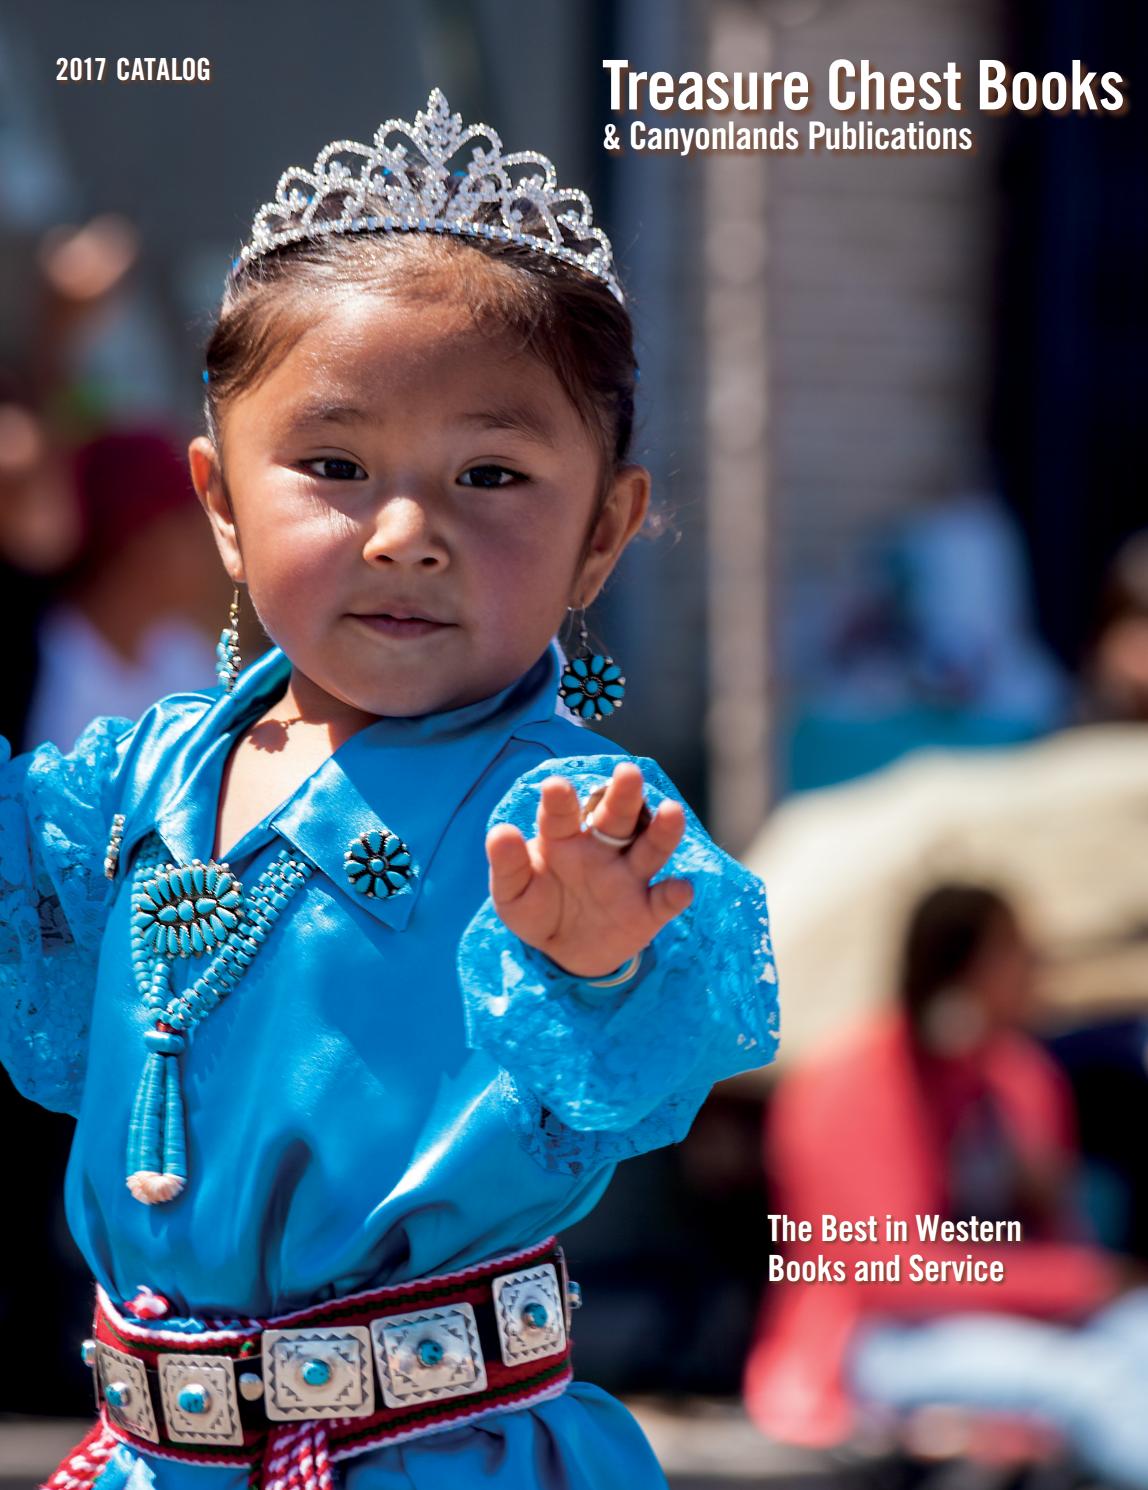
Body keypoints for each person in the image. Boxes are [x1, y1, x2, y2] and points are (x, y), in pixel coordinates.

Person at [0, 89, 779, 1489]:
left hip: (432, 1452)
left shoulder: (573, 818)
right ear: (223, 504)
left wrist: (595, 967)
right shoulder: (129, 779)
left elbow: (637, 1051)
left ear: (603, 532)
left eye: (491, 472)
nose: (409, 532)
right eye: (336, 467)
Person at [744, 883, 1148, 1488]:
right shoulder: (850, 1082)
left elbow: (1055, 1229)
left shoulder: (1017, 1075)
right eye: (1019, 955)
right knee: (1091, 1384)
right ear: (966, 966)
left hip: (1013, 1317)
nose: (1037, 973)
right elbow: (890, 1273)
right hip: (878, 1338)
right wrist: (1074, 1282)